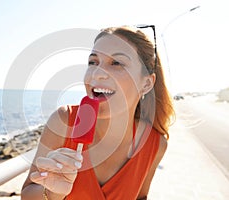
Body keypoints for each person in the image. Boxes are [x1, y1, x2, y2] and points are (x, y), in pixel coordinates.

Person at [21, 25, 174, 200]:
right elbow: (27, 194)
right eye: (93, 62)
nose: (97, 73)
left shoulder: (156, 145)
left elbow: (141, 196)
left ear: (146, 84)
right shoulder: (64, 122)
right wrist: (53, 193)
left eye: (116, 63)